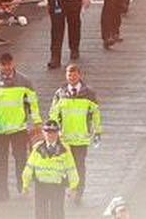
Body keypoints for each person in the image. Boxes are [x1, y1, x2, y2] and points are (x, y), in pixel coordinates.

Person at [0, 52, 41, 201]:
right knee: (1, 162)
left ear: (13, 63)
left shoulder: (25, 82)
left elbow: (33, 103)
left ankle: (23, 187)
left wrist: (37, 122)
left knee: (21, 159)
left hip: (19, 129)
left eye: (8, 64)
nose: (6, 67)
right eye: (3, 64)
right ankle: (3, 191)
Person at [48, 64, 102, 204]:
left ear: (79, 75)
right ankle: (70, 187)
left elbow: (96, 114)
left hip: (81, 138)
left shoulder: (89, 93)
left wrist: (97, 131)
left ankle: (78, 191)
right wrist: (53, 132)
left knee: (79, 165)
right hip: (65, 138)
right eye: (69, 75)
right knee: (64, 165)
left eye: (74, 75)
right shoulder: (60, 93)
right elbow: (53, 114)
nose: (71, 77)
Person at [21, 121, 78, 219]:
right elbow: (29, 167)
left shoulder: (64, 150)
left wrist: (73, 187)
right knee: (40, 213)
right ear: (43, 132)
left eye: (53, 132)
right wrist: (25, 185)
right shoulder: (37, 149)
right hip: (41, 186)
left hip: (58, 186)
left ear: (58, 133)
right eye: (48, 132)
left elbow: (71, 169)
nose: (50, 135)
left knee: (57, 213)